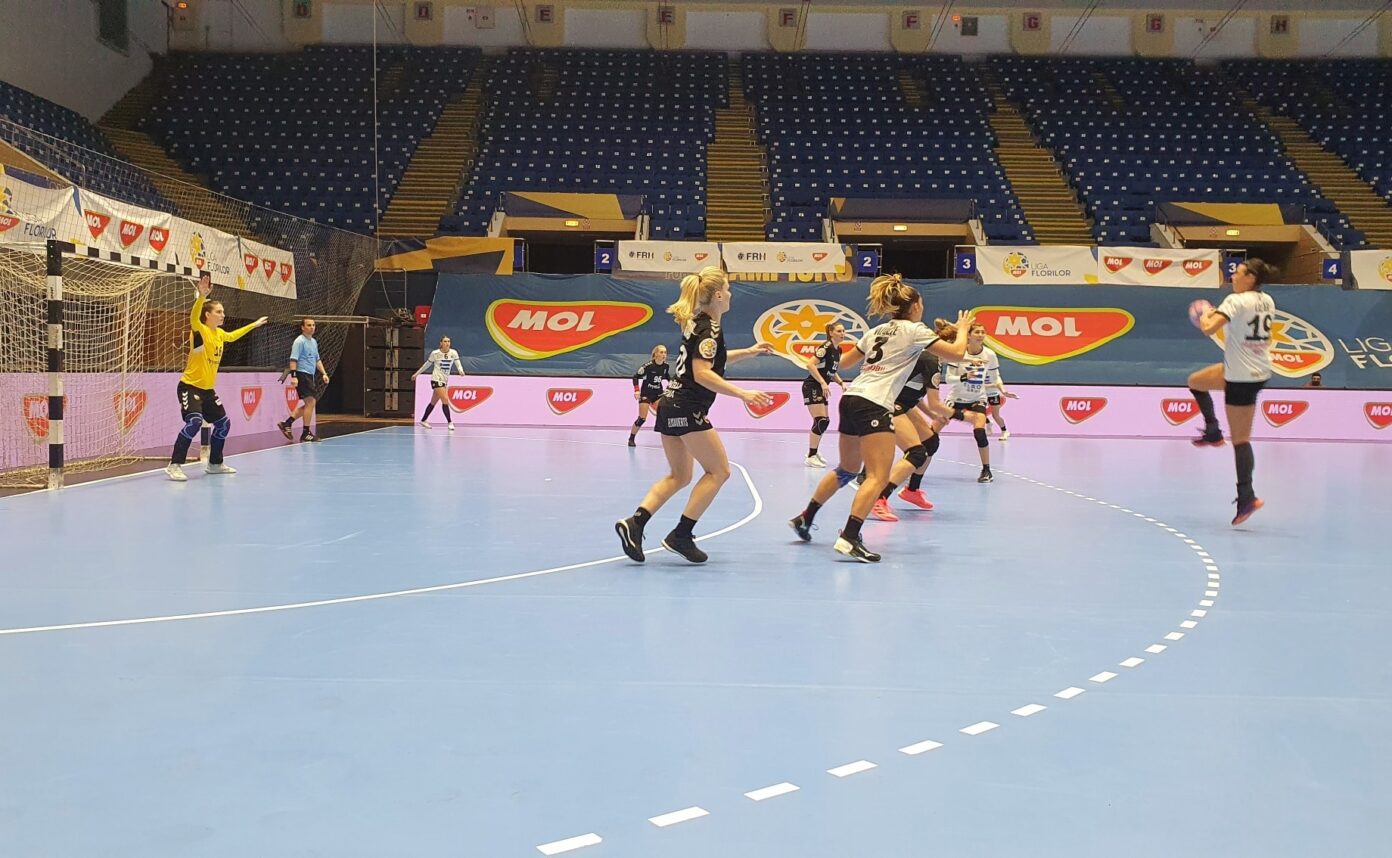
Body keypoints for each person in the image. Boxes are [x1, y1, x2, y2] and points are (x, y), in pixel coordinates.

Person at [789, 274, 973, 562]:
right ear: (915, 307)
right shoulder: (915, 330)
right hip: (875, 403)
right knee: (877, 476)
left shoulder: (876, 331)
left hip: (851, 398)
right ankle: (849, 537)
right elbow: (958, 353)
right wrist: (962, 330)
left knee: (847, 469)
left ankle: (806, 517)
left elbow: (845, 363)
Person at [614, 267, 773, 564]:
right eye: (728, 288)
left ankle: (635, 523)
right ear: (718, 295)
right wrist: (743, 394)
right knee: (719, 471)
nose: (731, 293)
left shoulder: (698, 324)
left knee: (680, 476)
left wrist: (749, 352)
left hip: (670, 403)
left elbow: (711, 359)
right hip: (688, 407)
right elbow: (702, 373)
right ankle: (682, 535)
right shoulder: (709, 329)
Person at [1188, 258, 1278, 525]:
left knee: (1241, 439)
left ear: (1251, 278)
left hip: (1241, 378)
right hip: (1254, 369)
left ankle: (1247, 497)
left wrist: (1205, 313)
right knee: (1195, 382)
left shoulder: (1235, 300)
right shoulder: (1267, 300)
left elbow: (1208, 329)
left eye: (1238, 273)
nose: (1233, 277)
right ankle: (1213, 431)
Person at [166, 272, 268, 481]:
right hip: (190, 387)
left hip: (207, 390)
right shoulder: (200, 330)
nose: (223, 315)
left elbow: (232, 336)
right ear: (208, 315)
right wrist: (202, 297)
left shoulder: (220, 334)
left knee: (223, 423)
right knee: (194, 422)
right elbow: (193, 317)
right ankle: (174, 464)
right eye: (219, 312)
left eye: (223, 312)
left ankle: (215, 463)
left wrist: (253, 325)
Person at [867, 343, 955, 521]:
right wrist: (965, 416)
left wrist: (933, 416)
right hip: (887, 403)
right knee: (917, 453)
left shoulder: (927, 358)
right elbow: (934, 402)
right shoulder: (931, 360)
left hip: (902, 403)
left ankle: (911, 490)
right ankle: (878, 498)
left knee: (930, 442)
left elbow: (915, 395)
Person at [277, 318, 329, 442]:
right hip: (302, 374)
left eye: (313, 325)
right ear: (302, 327)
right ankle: (306, 432)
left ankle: (287, 423)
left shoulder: (313, 342)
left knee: (309, 404)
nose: (312, 327)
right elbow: (293, 360)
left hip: (310, 375)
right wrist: (294, 376)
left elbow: (317, 359)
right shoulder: (299, 341)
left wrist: (324, 373)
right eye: (309, 325)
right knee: (311, 402)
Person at [803, 322, 847, 467]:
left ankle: (813, 451)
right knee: (820, 420)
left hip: (821, 387)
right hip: (813, 386)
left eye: (843, 331)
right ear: (831, 333)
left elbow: (831, 371)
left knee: (824, 421)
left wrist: (841, 383)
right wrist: (822, 382)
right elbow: (810, 364)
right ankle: (811, 456)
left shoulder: (838, 350)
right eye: (839, 331)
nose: (842, 333)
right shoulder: (826, 347)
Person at [412, 336, 466, 430]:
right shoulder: (435, 353)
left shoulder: (453, 353)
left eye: (448, 341)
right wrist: (417, 374)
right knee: (445, 399)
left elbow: (458, 364)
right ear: (441, 343)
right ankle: (450, 422)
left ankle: (423, 420)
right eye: (445, 341)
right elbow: (427, 365)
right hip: (436, 379)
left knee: (433, 402)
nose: (447, 343)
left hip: (444, 380)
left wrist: (461, 370)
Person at [628, 344, 670, 446]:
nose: (664, 354)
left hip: (658, 394)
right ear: (655, 354)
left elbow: (667, 377)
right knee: (642, 419)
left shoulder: (666, 366)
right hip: (646, 394)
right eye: (661, 352)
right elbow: (635, 377)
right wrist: (636, 390)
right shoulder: (648, 366)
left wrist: (673, 385)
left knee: (666, 413)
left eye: (665, 352)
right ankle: (631, 438)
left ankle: (669, 437)